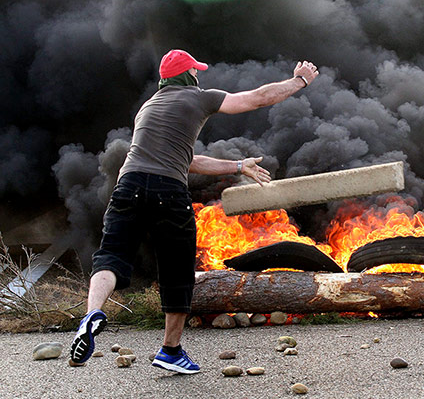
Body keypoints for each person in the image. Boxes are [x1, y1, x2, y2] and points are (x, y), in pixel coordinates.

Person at [69, 49, 319, 373]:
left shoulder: (147, 108)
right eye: (196, 72)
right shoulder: (198, 97)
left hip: (127, 185)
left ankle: (92, 314)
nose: (199, 76)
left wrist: (238, 165)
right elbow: (256, 98)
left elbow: (188, 159)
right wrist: (300, 80)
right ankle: (170, 351)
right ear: (189, 77)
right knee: (177, 273)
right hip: (167, 192)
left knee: (111, 256)